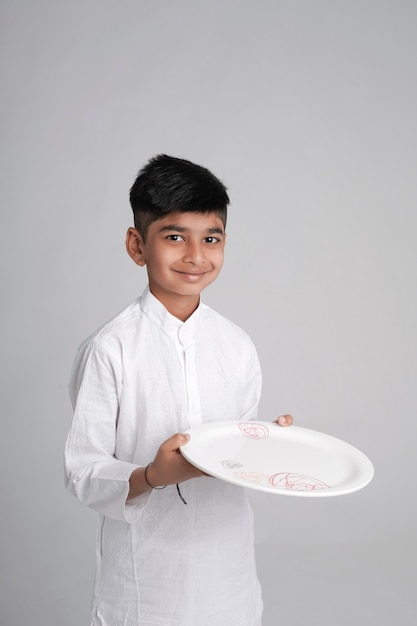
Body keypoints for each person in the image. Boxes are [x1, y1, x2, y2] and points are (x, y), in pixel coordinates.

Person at [64, 154, 293, 626]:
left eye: (211, 238)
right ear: (137, 244)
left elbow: (236, 452)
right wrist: (152, 475)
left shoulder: (236, 344)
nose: (196, 255)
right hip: (145, 584)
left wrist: (270, 443)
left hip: (228, 577)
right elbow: (84, 472)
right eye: (174, 237)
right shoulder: (110, 349)